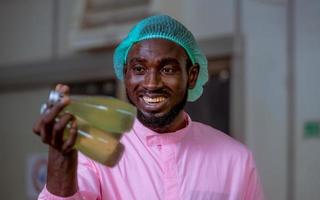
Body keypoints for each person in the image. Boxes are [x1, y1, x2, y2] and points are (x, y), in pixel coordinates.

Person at [33, 15, 264, 200]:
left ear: (191, 76)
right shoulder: (95, 152)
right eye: (139, 69)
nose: (151, 84)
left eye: (167, 69)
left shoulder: (235, 159)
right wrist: (61, 158)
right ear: (125, 74)